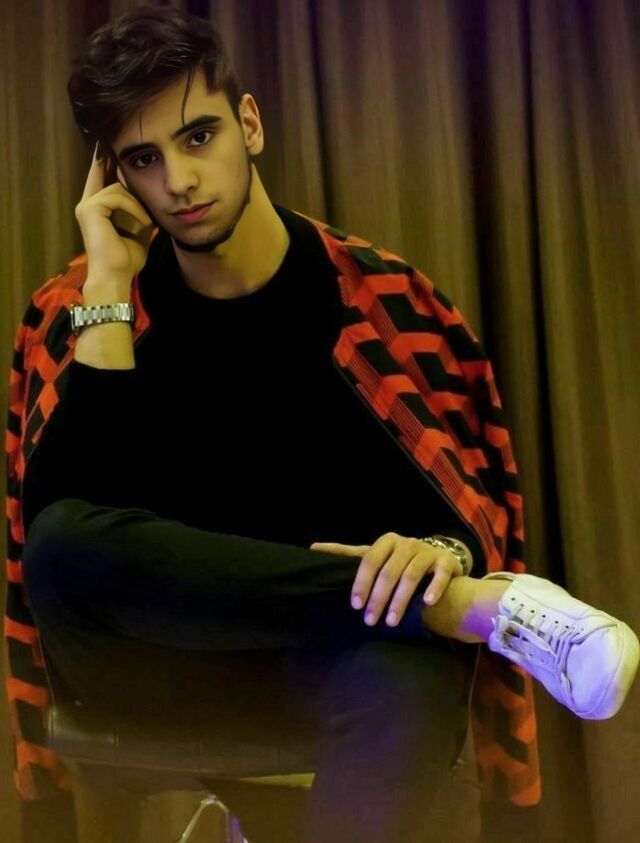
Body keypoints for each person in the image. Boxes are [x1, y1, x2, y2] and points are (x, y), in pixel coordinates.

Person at [5, 7, 638, 843]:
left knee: (413, 678)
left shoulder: (382, 296)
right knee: (63, 543)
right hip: (150, 669)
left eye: (199, 137)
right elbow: (65, 543)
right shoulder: (85, 305)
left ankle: (437, 610)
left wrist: (441, 555)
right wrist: (109, 282)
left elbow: (461, 509)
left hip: (327, 662)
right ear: (115, 177)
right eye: (145, 159)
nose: (180, 181)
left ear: (249, 123)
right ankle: (463, 608)